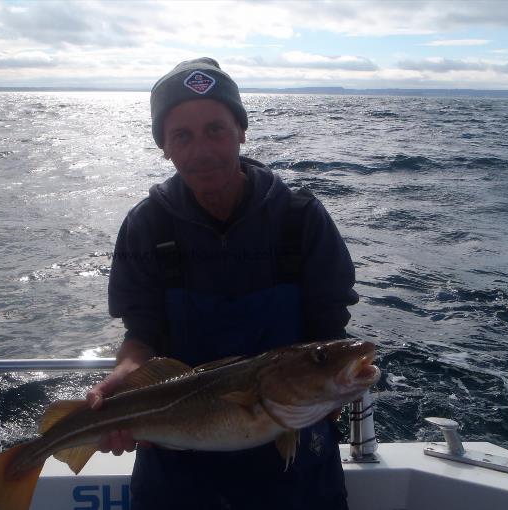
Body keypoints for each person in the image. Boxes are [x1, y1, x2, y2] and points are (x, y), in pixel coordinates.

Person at [87, 57, 358, 510]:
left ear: (241, 131)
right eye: (182, 136)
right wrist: (127, 376)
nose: (202, 150)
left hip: (296, 468)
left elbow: (330, 327)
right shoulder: (147, 226)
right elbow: (141, 334)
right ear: (164, 147)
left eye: (216, 129)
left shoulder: (300, 219)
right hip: (176, 468)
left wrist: (330, 387)